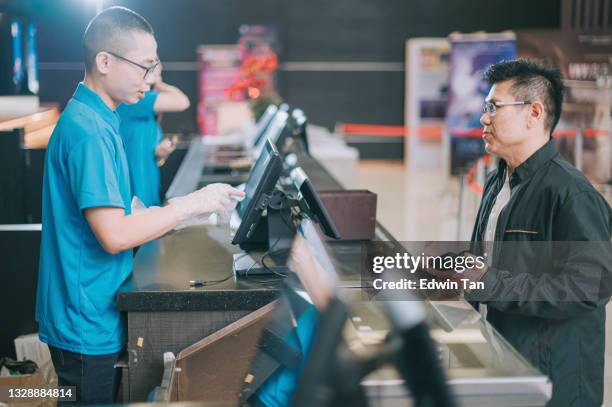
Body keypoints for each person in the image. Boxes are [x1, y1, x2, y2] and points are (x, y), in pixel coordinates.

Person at [35, 7, 243, 404]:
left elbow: (123, 212)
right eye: (144, 67)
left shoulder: (101, 118)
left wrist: (186, 210)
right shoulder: (88, 131)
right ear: (105, 61)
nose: (150, 80)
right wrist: (188, 206)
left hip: (90, 309)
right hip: (84, 320)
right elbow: (114, 235)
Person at [428, 59, 611, 406]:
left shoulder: (571, 194)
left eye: (494, 107)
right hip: (506, 362)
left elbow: (590, 286)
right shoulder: (499, 179)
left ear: (534, 113)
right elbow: (492, 263)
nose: (484, 117)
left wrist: (488, 282)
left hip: (555, 383)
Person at [117, 66, 189, 207]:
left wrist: (159, 153)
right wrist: (159, 84)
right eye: (152, 64)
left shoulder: (145, 108)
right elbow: (182, 101)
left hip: (147, 185)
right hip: (135, 191)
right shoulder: (135, 100)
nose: (159, 68)